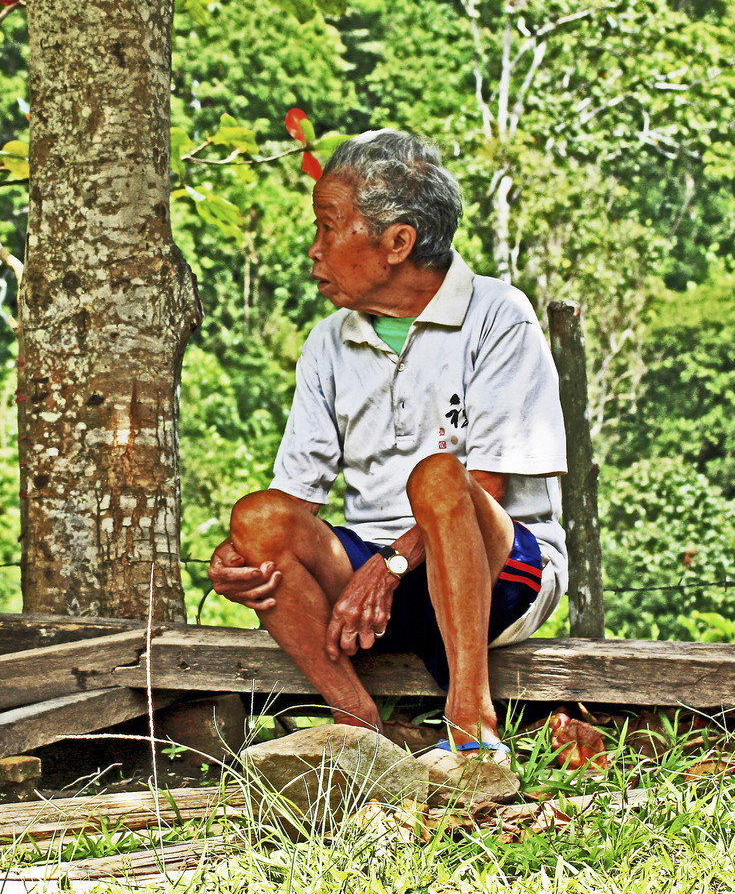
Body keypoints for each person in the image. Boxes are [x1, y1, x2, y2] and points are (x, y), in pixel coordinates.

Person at [207, 129, 566, 774]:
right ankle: (358, 725)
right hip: (367, 593)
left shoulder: (498, 315)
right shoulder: (328, 341)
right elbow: (293, 501)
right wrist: (239, 557)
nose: (314, 251)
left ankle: (470, 725)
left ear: (397, 243)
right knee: (256, 519)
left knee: (440, 478)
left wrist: (393, 566)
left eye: (329, 228)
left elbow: (486, 485)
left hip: (499, 573)